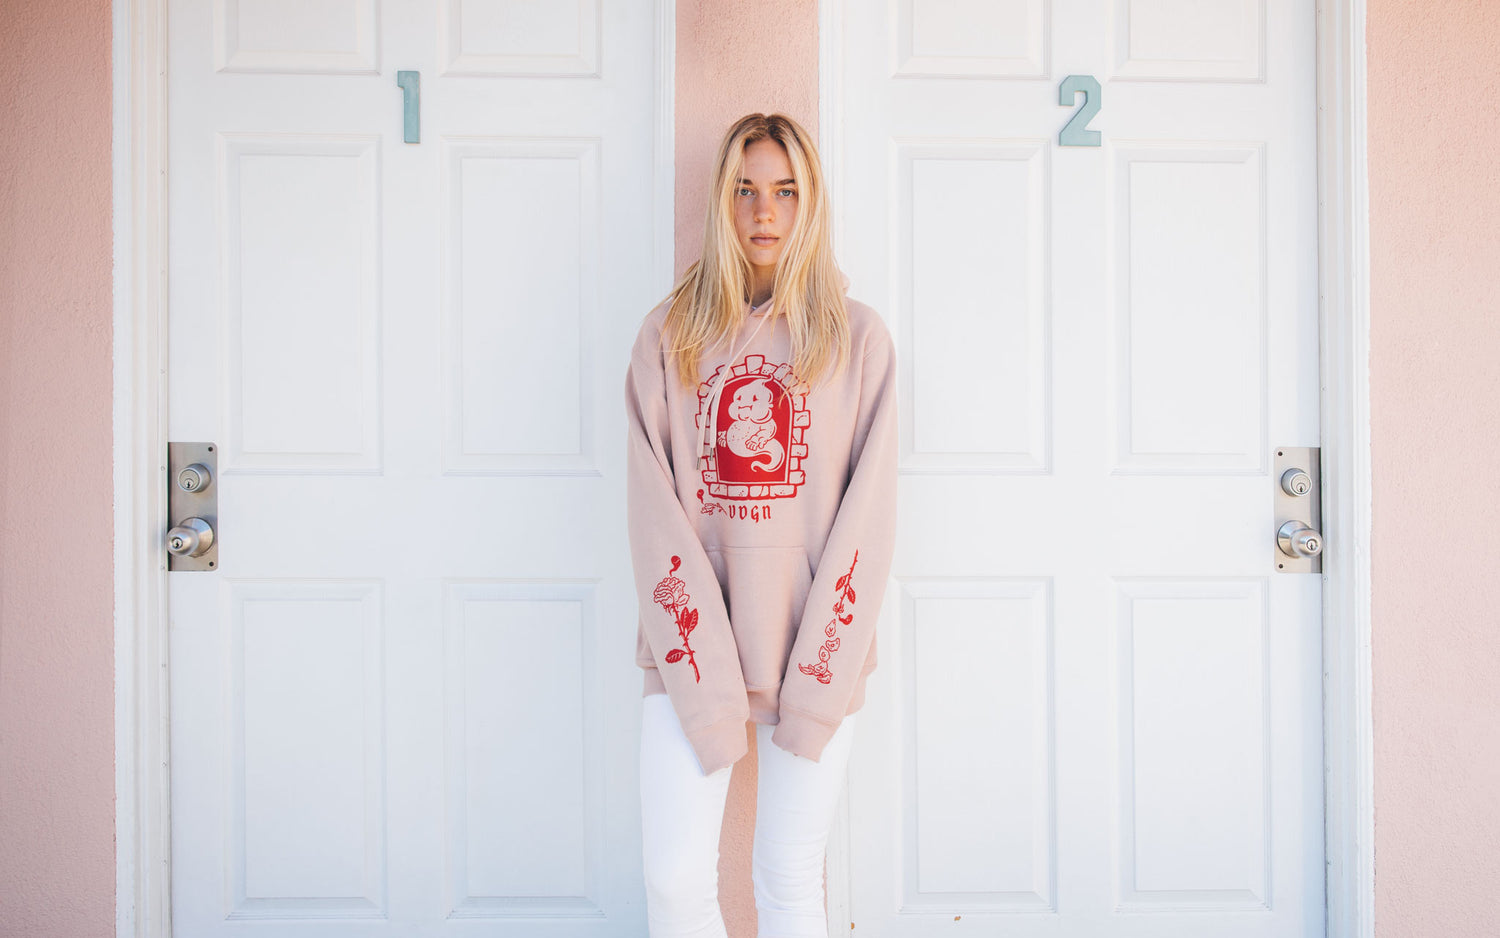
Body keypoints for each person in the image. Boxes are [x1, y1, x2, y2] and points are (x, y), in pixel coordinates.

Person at [623, 112, 898, 938]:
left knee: (787, 879)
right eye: (744, 190)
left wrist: (819, 679)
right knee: (673, 879)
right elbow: (654, 518)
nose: (764, 212)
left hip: (815, 646)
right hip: (691, 647)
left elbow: (868, 521)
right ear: (722, 202)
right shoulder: (669, 335)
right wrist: (704, 671)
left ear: (810, 202)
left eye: (784, 191)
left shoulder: (857, 339)